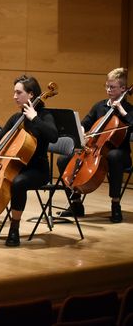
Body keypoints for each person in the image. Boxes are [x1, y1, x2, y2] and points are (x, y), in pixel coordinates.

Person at [0, 75, 58, 246]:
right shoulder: (16, 118)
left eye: (19, 92)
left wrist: (34, 118)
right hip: (14, 166)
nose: (14, 96)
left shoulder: (45, 116)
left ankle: (14, 229)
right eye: (14, 92)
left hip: (37, 169)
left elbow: (53, 137)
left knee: (18, 183)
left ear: (31, 94)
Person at [57, 67, 132, 223]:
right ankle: (76, 203)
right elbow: (84, 123)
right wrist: (83, 130)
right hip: (95, 150)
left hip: (120, 154)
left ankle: (115, 204)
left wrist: (122, 112)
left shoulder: (129, 109)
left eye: (113, 87)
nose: (108, 90)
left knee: (114, 156)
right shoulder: (100, 106)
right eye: (107, 86)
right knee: (63, 160)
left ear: (123, 88)